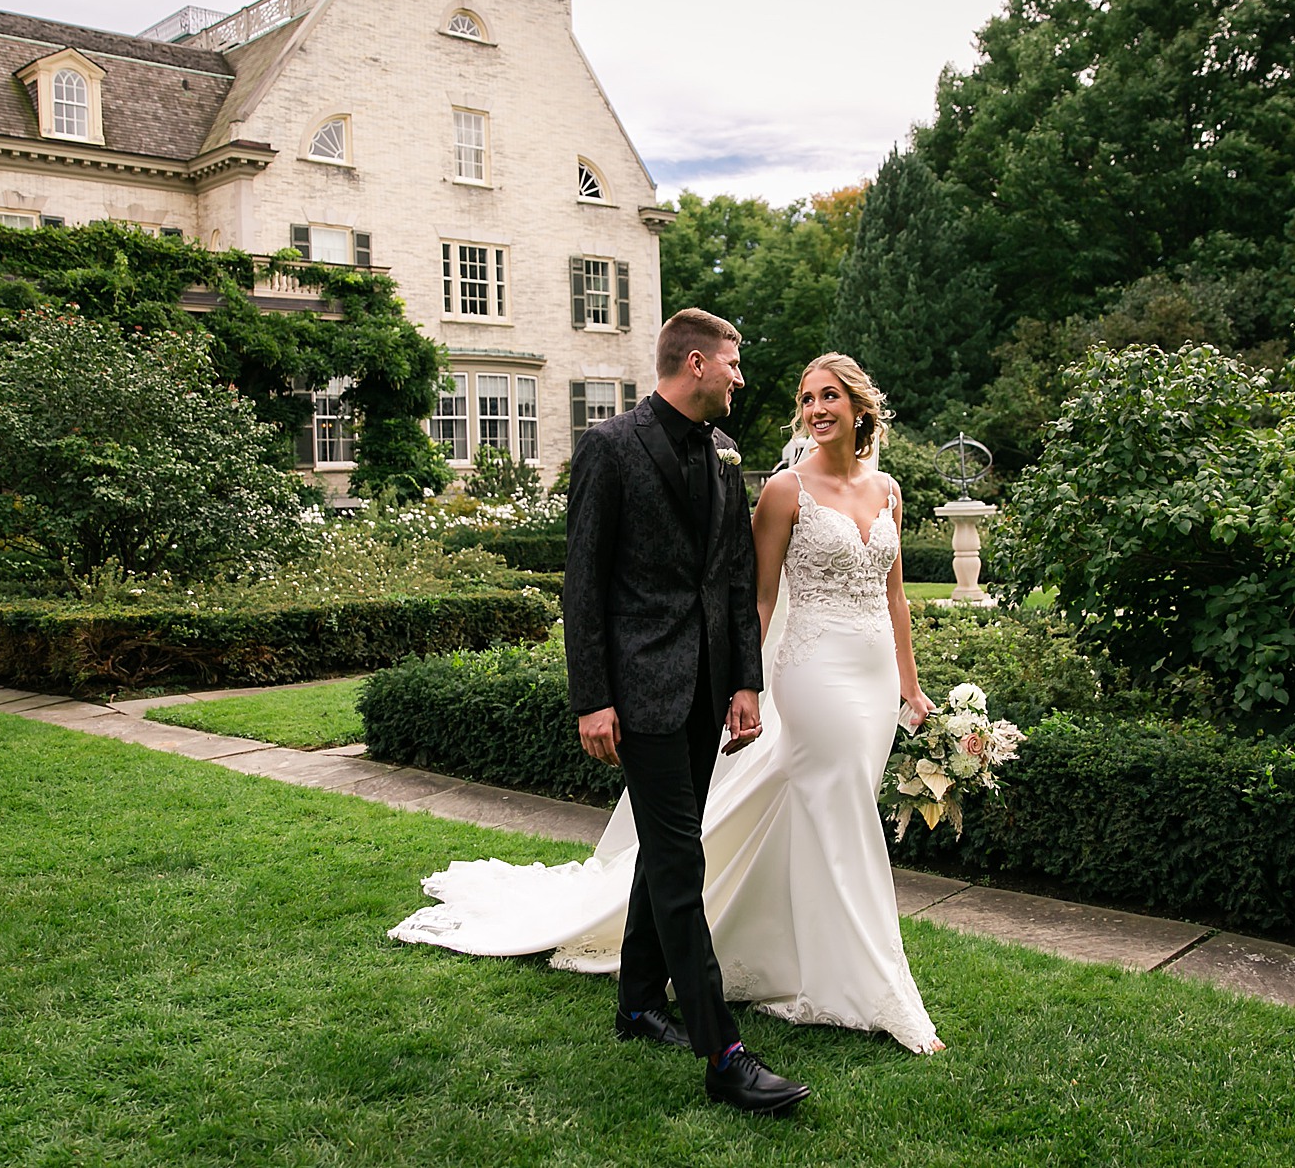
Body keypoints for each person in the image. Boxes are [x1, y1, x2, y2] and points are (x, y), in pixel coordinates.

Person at [391, 339, 939, 1108]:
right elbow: (581, 585)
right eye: (735, 363)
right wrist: (593, 698)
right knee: (682, 864)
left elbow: (732, 582)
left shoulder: (723, 452)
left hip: (711, 692)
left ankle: (639, 1001)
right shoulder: (610, 448)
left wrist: (743, 685)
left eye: (824, 396)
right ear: (694, 363)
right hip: (642, 692)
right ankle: (726, 1057)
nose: (747, 379)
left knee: (665, 849)